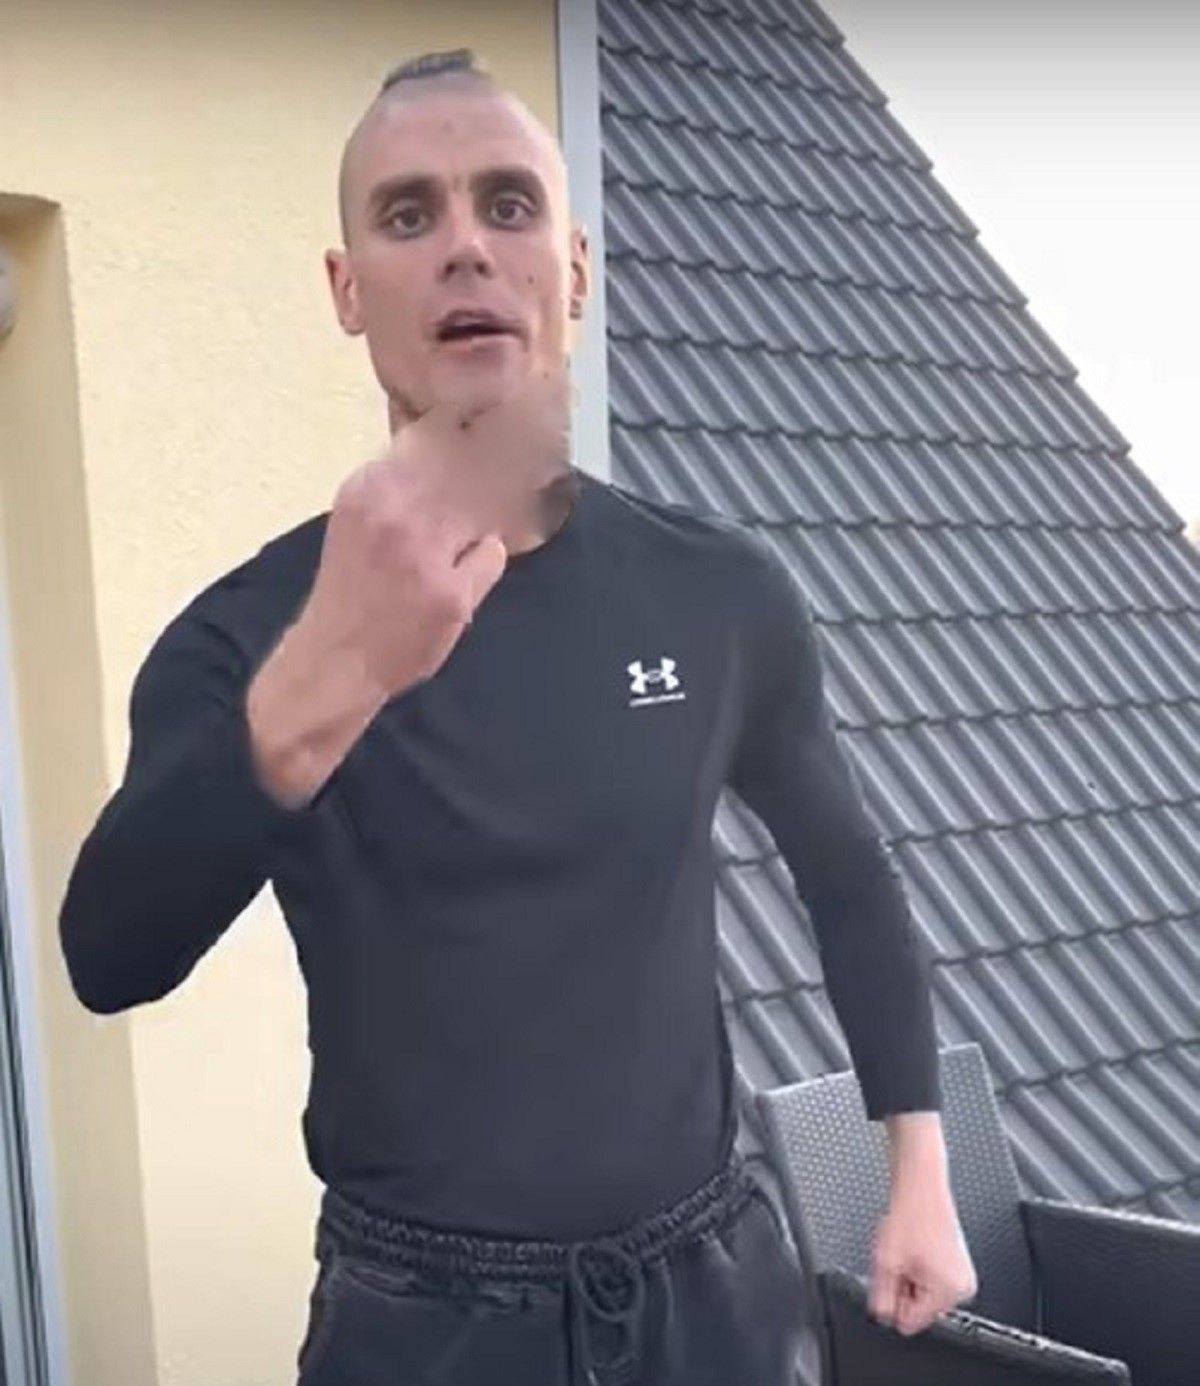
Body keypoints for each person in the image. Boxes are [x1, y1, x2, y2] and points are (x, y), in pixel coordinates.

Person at [58, 48, 977, 1386]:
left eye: (508, 204)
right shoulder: (247, 638)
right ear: (347, 290)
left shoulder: (718, 593)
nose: (466, 247)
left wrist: (920, 1167)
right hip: (422, 1322)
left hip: (712, 1292)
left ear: (576, 269)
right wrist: (334, 671)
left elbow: (847, 875)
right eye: (409, 214)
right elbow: (109, 954)